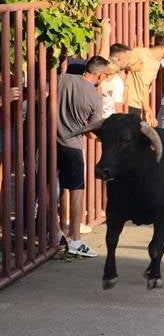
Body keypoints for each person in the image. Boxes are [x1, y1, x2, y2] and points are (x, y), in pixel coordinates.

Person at [57, 56, 109, 257]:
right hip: (73, 146)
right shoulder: (95, 98)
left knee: (59, 188)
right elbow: (91, 130)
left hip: (53, 142)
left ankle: (60, 232)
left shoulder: (64, 79)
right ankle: (76, 239)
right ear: (100, 75)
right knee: (77, 190)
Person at [125, 33, 164, 125]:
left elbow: (145, 86)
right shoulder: (139, 52)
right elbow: (119, 67)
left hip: (137, 106)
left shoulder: (156, 64)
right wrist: (131, 67)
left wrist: (148, 110)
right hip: (125, 102)